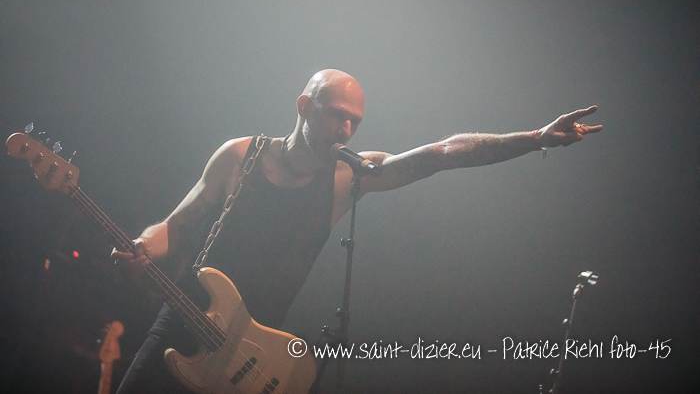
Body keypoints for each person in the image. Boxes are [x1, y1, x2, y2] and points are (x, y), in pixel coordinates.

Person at [112, 69, 602, 393]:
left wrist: (533, 139)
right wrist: (143, 247)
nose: (346, 130)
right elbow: (175, 227)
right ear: (304, 106)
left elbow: (441, 154)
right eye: (336, 115)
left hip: (256, 355)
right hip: (186, 319)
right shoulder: (240, 155)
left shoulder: (350, 177)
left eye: (355, 122)